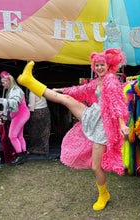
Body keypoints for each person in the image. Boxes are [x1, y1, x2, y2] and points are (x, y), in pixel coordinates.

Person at [17, 48, 130, 211]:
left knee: (96, 167)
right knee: (67, 99)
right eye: (96, 65)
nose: (99, 68)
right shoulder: (98, 81)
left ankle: (104, 194)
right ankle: (29, 80)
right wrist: (61, 89)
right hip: (93, 115)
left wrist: (122, 124)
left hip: (103, 128)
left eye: (102, 65)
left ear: (109, 65)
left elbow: (117, 103)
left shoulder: (111, 80)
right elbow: (80, 90)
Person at [0, 71, 30, 166]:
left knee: (12, 136)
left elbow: (14, 102)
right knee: (19, 136)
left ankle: (19, 156)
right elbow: (10, 105)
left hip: (20, 115)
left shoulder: (15, 90)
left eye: (3, 82)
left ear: (8, 82)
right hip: (21, 114)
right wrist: (3, 113)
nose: (2, 84)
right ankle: (23, 153)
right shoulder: (13, 90)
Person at [27, 90, 51, 156]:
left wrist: (27, 107)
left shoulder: (32, 92)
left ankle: (35, 149)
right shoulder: (42, 90)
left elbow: (32, 107)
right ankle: (45, 150)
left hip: (36, 112)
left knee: (34, 132)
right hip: (45, 110)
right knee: (45, 131)